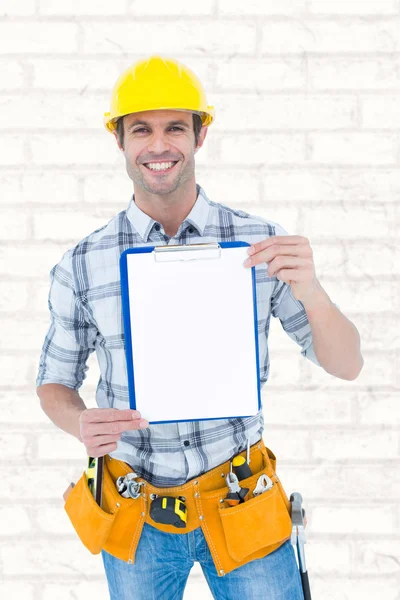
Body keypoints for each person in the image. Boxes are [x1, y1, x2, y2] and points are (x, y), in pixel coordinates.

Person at [36, 55, 363, 600]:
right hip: (136, 514)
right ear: (119, 139)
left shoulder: (260, 244)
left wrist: (312, 290)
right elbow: (53, 382)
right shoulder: (83, 262)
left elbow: (348, 364)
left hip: (241, 504)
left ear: (200, 134)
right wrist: (79, 423)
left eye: (175, 128)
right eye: (141, 129)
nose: (158, 145)